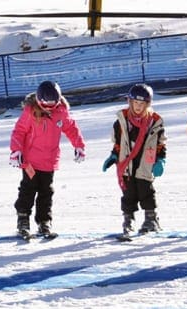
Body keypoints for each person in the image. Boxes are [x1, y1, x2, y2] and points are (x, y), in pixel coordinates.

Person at [9, 80, 86, 239]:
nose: (49, 109)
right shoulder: (30, 112)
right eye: (46, 105)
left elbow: (71, 128)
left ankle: (44, 222)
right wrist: (16, 150)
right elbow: (19, 131)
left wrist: (78, 145)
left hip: (49, 161)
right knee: (28, 190)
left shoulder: (61, 112)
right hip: (30, 161)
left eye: (52, 105)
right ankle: (23, 220)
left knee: (46, 192)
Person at [102, 84, 167, 237]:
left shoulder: (154, 122)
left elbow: (160, 143)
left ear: (147, 104)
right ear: (130, 102)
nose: (138, 107)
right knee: (128, 193)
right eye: (135, 103)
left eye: (142, 104)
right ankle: (128, 220)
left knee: (146, 190)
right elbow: (118, 143)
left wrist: (161, 160)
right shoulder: (122, 121)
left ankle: (151, 219)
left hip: (145, 162)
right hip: (127, 163)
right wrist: (113, 156)